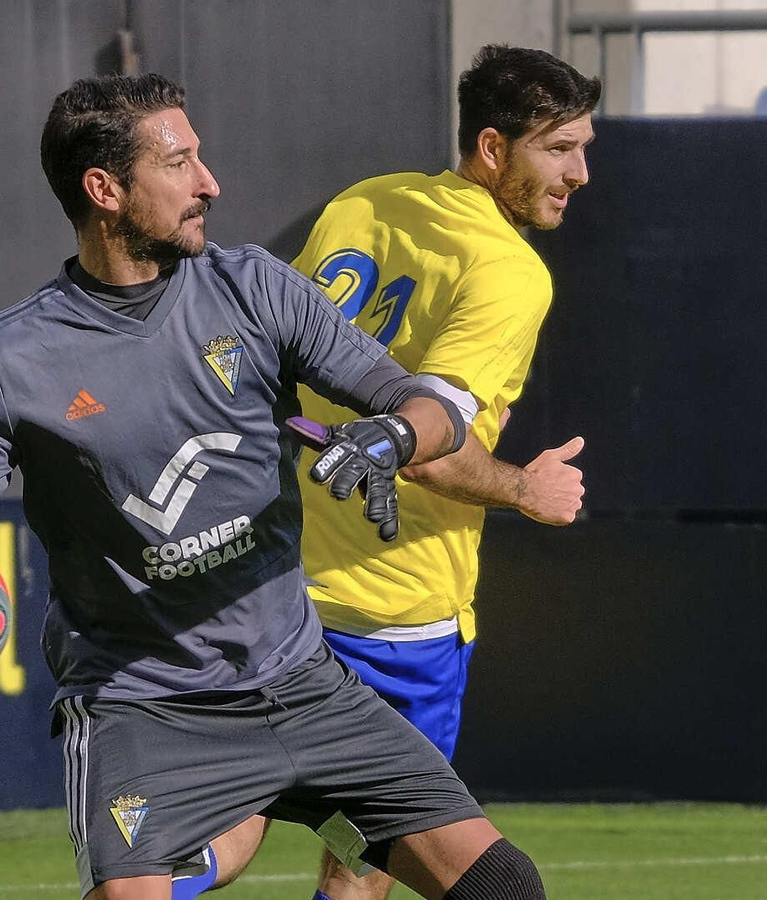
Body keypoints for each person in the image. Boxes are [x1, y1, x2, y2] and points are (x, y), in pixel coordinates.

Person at [0, 73, 548, 900]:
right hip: (143, 709)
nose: (210, 182)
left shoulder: (256, 288)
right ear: (105, 190)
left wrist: (396, 434)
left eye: (200, 157)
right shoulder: (8, 357)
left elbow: (426, 408)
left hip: (304, 682)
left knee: (505, 886)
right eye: (179, 163)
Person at [192, 46, 597, 900]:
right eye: (559, 150)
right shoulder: (507, 271)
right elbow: (428, 445)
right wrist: (525, 488)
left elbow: (271, 371)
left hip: (273, 591)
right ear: (493, 148)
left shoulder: (362, 203)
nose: (579, 174)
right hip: (395, 619)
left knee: (225, 830)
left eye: (583, 149)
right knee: (367, 864)